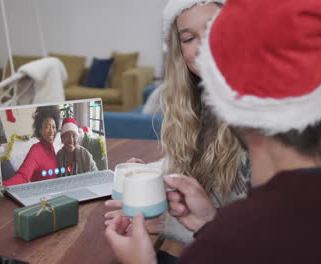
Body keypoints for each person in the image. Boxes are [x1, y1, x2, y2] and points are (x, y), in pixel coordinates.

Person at [105, 0, 321, 262]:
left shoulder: (235, 234)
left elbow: (241, 243)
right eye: (190, 38)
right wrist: (208, 222)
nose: (206, 49)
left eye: (216, 31)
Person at [105, 0, 249, 243]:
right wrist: (146, 173)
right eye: (188, 38)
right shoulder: (199, 105)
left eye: (215, 28)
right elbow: (183, 165)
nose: (203, 45)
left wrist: (159, 223)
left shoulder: (264, 122)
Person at [3, 106, 60, 186]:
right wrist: (2, 188)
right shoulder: (36, 150)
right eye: (47, 127)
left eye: (54, 127)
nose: (51, 131)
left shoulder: (51, 148)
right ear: (40, 130)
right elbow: (23, 176)